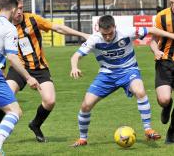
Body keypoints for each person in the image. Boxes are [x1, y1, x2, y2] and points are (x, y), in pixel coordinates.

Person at [0, 0, 90, 143]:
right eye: (17, 8)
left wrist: (82, 34)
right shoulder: (0, 17)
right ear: (10, 9)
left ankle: (35, 125)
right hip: (18, 68)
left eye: (21, 8)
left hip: (39, 68)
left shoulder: (32, 19)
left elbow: (57, 27)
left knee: (50, 101)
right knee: (7, 95)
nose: (19, 12)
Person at [70, 15, 174, 147]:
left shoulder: (126, 32)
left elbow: (152, 30)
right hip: (106, 75)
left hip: (129, 71)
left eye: (110, 33)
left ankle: (148, 130)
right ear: (99, 30)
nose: (107, 37)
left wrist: (171, 36)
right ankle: (82, 139)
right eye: (104, 34)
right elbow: (76, 56)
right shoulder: (94, 39)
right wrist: (74, 67)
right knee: (86, 105)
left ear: (115, 27)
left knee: (140, 91)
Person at [0, 0, 40, 156]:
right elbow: (12, 57)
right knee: (14, 112)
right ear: (13, 9)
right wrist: (29, 77)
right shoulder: (10, 28)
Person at [150, 0, 174, 144]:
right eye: (172, 1)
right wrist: (155, 51)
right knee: (164, 99)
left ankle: (172, 133)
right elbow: (152, 40)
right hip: (165, 61)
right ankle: (167, 107)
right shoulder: (162, 17)